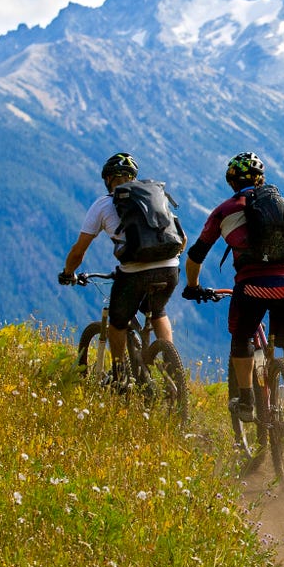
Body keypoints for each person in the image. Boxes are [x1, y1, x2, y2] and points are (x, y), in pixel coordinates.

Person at [181, 151, 284, 436]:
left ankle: (246, 400)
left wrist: (192, 286)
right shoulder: (283, 205)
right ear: (262, 179)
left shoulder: (223, 211)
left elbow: (195, 255)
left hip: (252, 288)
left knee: (242, 338)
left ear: (232, 182)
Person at [58, 152, 181, 391]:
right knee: (158, 311)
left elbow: (79, 250)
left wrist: (68, 272)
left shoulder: (104, 204)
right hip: (170, 268)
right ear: (133, 176)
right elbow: (180, 236)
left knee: (117, 323)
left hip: (134, 272)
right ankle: (171, 371)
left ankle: (119, 374)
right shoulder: (155, 196)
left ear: (108, 179)